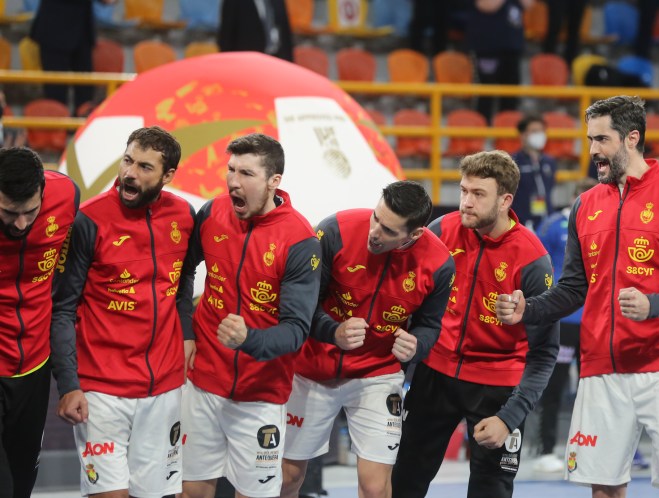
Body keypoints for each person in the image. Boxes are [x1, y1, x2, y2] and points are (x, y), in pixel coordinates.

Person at [496, 95, 659, 497]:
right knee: (605, 489)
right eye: (589, 140)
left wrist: (653, 305)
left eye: (602, 139)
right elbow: (573, 289)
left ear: (632, 138)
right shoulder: (584, 205)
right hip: (601, 369)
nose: (593, 150)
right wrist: (529, 309)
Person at [392, 150, 559, 498]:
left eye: (478, 194)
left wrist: (509, 417)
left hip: (496, 388)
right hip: (434, 376)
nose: (466, 202)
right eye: (463, 190)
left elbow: (544, 353)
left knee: (491, 491)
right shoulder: (441, 231)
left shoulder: (533, 260)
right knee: (403, 483)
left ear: (505, 200)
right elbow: (412, 301)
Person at [281, 181, 455, 498]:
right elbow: (300, 305)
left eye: (388, 230)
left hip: (378, 375)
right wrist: (333, 331)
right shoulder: (334, 230)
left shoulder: (440, 264)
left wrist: (417, 346)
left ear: (414, 234)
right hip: (312, 367)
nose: (374, 232)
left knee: (375, 488)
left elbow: (430, 326)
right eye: (376, 217)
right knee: (287, 478)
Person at [50, 126, 194, 497]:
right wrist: (68, 385)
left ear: (167, 175)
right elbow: (61, 309)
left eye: (145, 167)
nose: (130, 173)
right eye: (127, 161)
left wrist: (187, 333)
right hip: (101, 391)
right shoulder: (88, 219)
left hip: (163, 389)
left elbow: (183, 280)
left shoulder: (184, 215)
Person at [179, 133, 320, 498]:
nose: (233, 182)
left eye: (246, 173)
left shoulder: (300, 240)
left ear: (274, 181)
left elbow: (296, 331)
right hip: (202, 383)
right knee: (190, 491)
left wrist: (248, 339)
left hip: (261, 395)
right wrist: (186, 332)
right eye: (231, 170)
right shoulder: (212, 212)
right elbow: (182, 273)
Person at [0, 147, 78, 498]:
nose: (20, 223)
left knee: (21, 486)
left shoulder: (66, 195)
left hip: (34, 367)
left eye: (29, 212)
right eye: (8, 212)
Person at [531, 177, 596, 473]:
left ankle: (591, 448)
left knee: (593, 387)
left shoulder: (604, 225)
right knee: (555, 385)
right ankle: (545, 449)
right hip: (564, 320)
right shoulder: (553, 225)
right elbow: (538, 263)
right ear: (574, 198)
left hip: (593, 319)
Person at [30, 0, 117, 114]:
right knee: (56, 92)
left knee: (85, 94)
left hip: (82, 32)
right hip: (54, 31)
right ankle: (58, 123)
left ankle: (82, 123)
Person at [511, 114, 557, 229]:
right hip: (521, 222)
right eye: (534, 131)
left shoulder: (549, 161)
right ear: (523, 135)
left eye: (542, 131)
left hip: (546, 221)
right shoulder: (513, 161)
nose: (539, 135)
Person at [218, 0, 294, 62]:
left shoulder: (278, 1)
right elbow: (226, 38)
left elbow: (285, 33)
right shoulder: (233, 2)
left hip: (277, 60)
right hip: (248, 62)